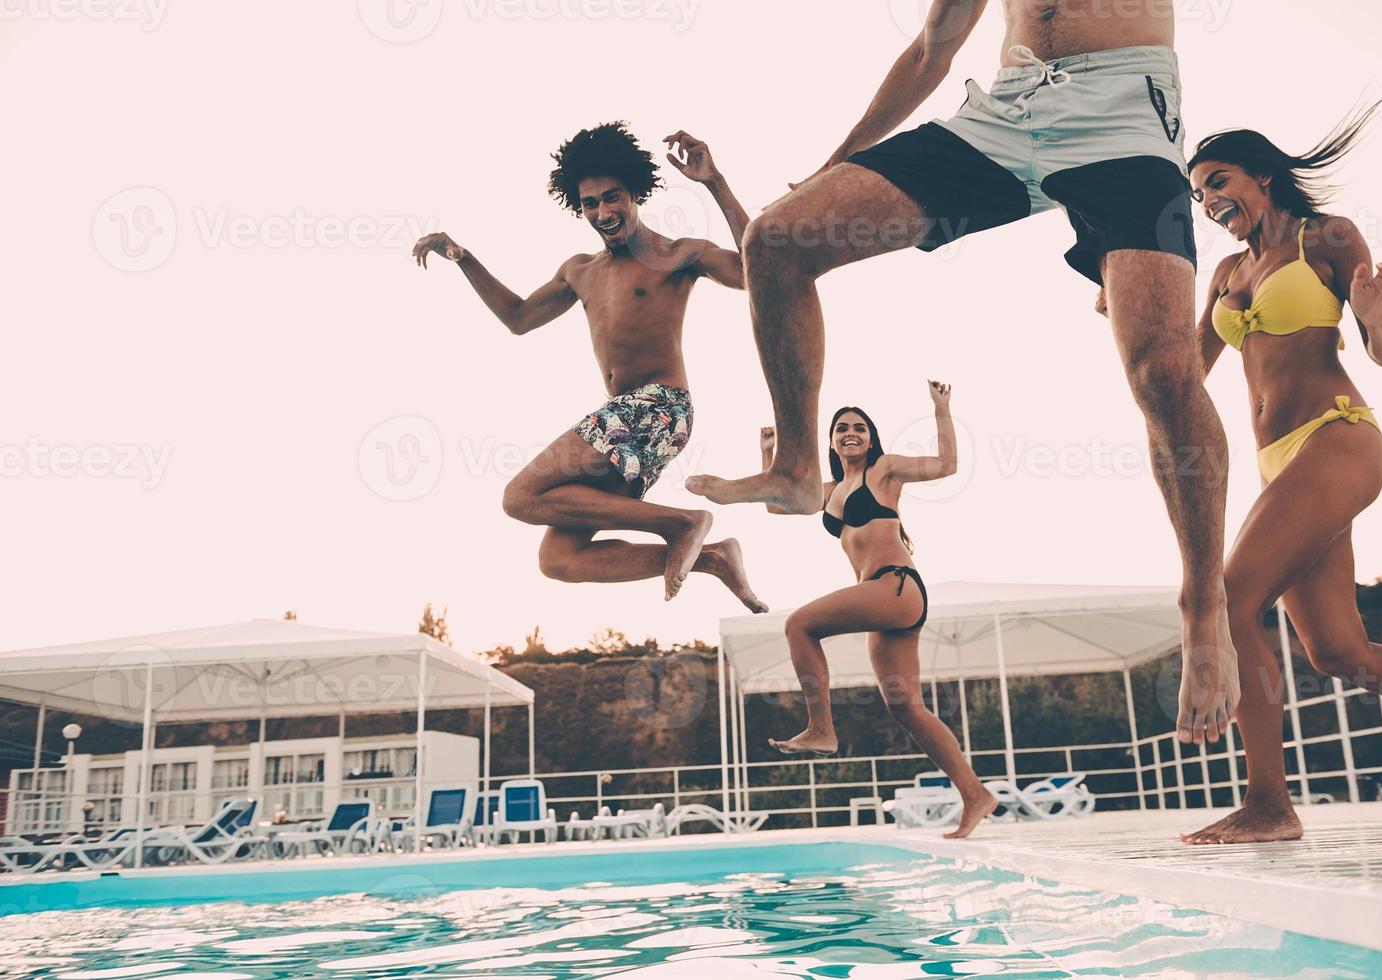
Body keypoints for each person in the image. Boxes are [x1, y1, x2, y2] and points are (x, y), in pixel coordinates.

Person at [685, 0, 1238, 745]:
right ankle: (791, 465)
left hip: (1122, 110)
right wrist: (831, 165)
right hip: (1003, 116)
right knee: (774, 238)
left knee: (1165, 373)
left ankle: (1203, 606)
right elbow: (928, 51)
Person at [1172, 106, 1382, 844]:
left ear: (1263, 176)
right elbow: (1181, 376)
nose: (1211, 204)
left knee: (1228, 599)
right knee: (1338, 652)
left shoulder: (1325, 237)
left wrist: (1374, 318)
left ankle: (1269, 806)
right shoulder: (1225, 273)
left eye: (1219, 183)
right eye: (1199, 197)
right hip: (1278, 462)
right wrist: (1129, 315)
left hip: (1337, 437)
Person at [411, 123, 765, 611]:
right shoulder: (579, 270)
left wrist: (715, 183)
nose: (603, 212)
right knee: (560, 559)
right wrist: (465, 259)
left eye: (613, 198)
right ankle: (712, 558)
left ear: (636, 194)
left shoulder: (678, 254)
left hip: (659, 407)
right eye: (591, 203)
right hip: (622, 420)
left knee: (520, 497)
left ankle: (680, 522)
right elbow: (518, 318)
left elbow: (757, 271)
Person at [767, 381, 996, 839]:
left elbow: (947, 465)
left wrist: (941, 408)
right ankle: (975, 794)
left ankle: (821, 728)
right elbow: (778, 506)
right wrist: (770, 455)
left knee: (799, 625)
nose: (850, 433)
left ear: (871, 438)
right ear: (831, 441)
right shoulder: (829, 489)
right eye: (841, 428)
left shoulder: (885, 471)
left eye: (859, 428)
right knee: (906, 707)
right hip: (881, 599)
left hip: (895, 587)